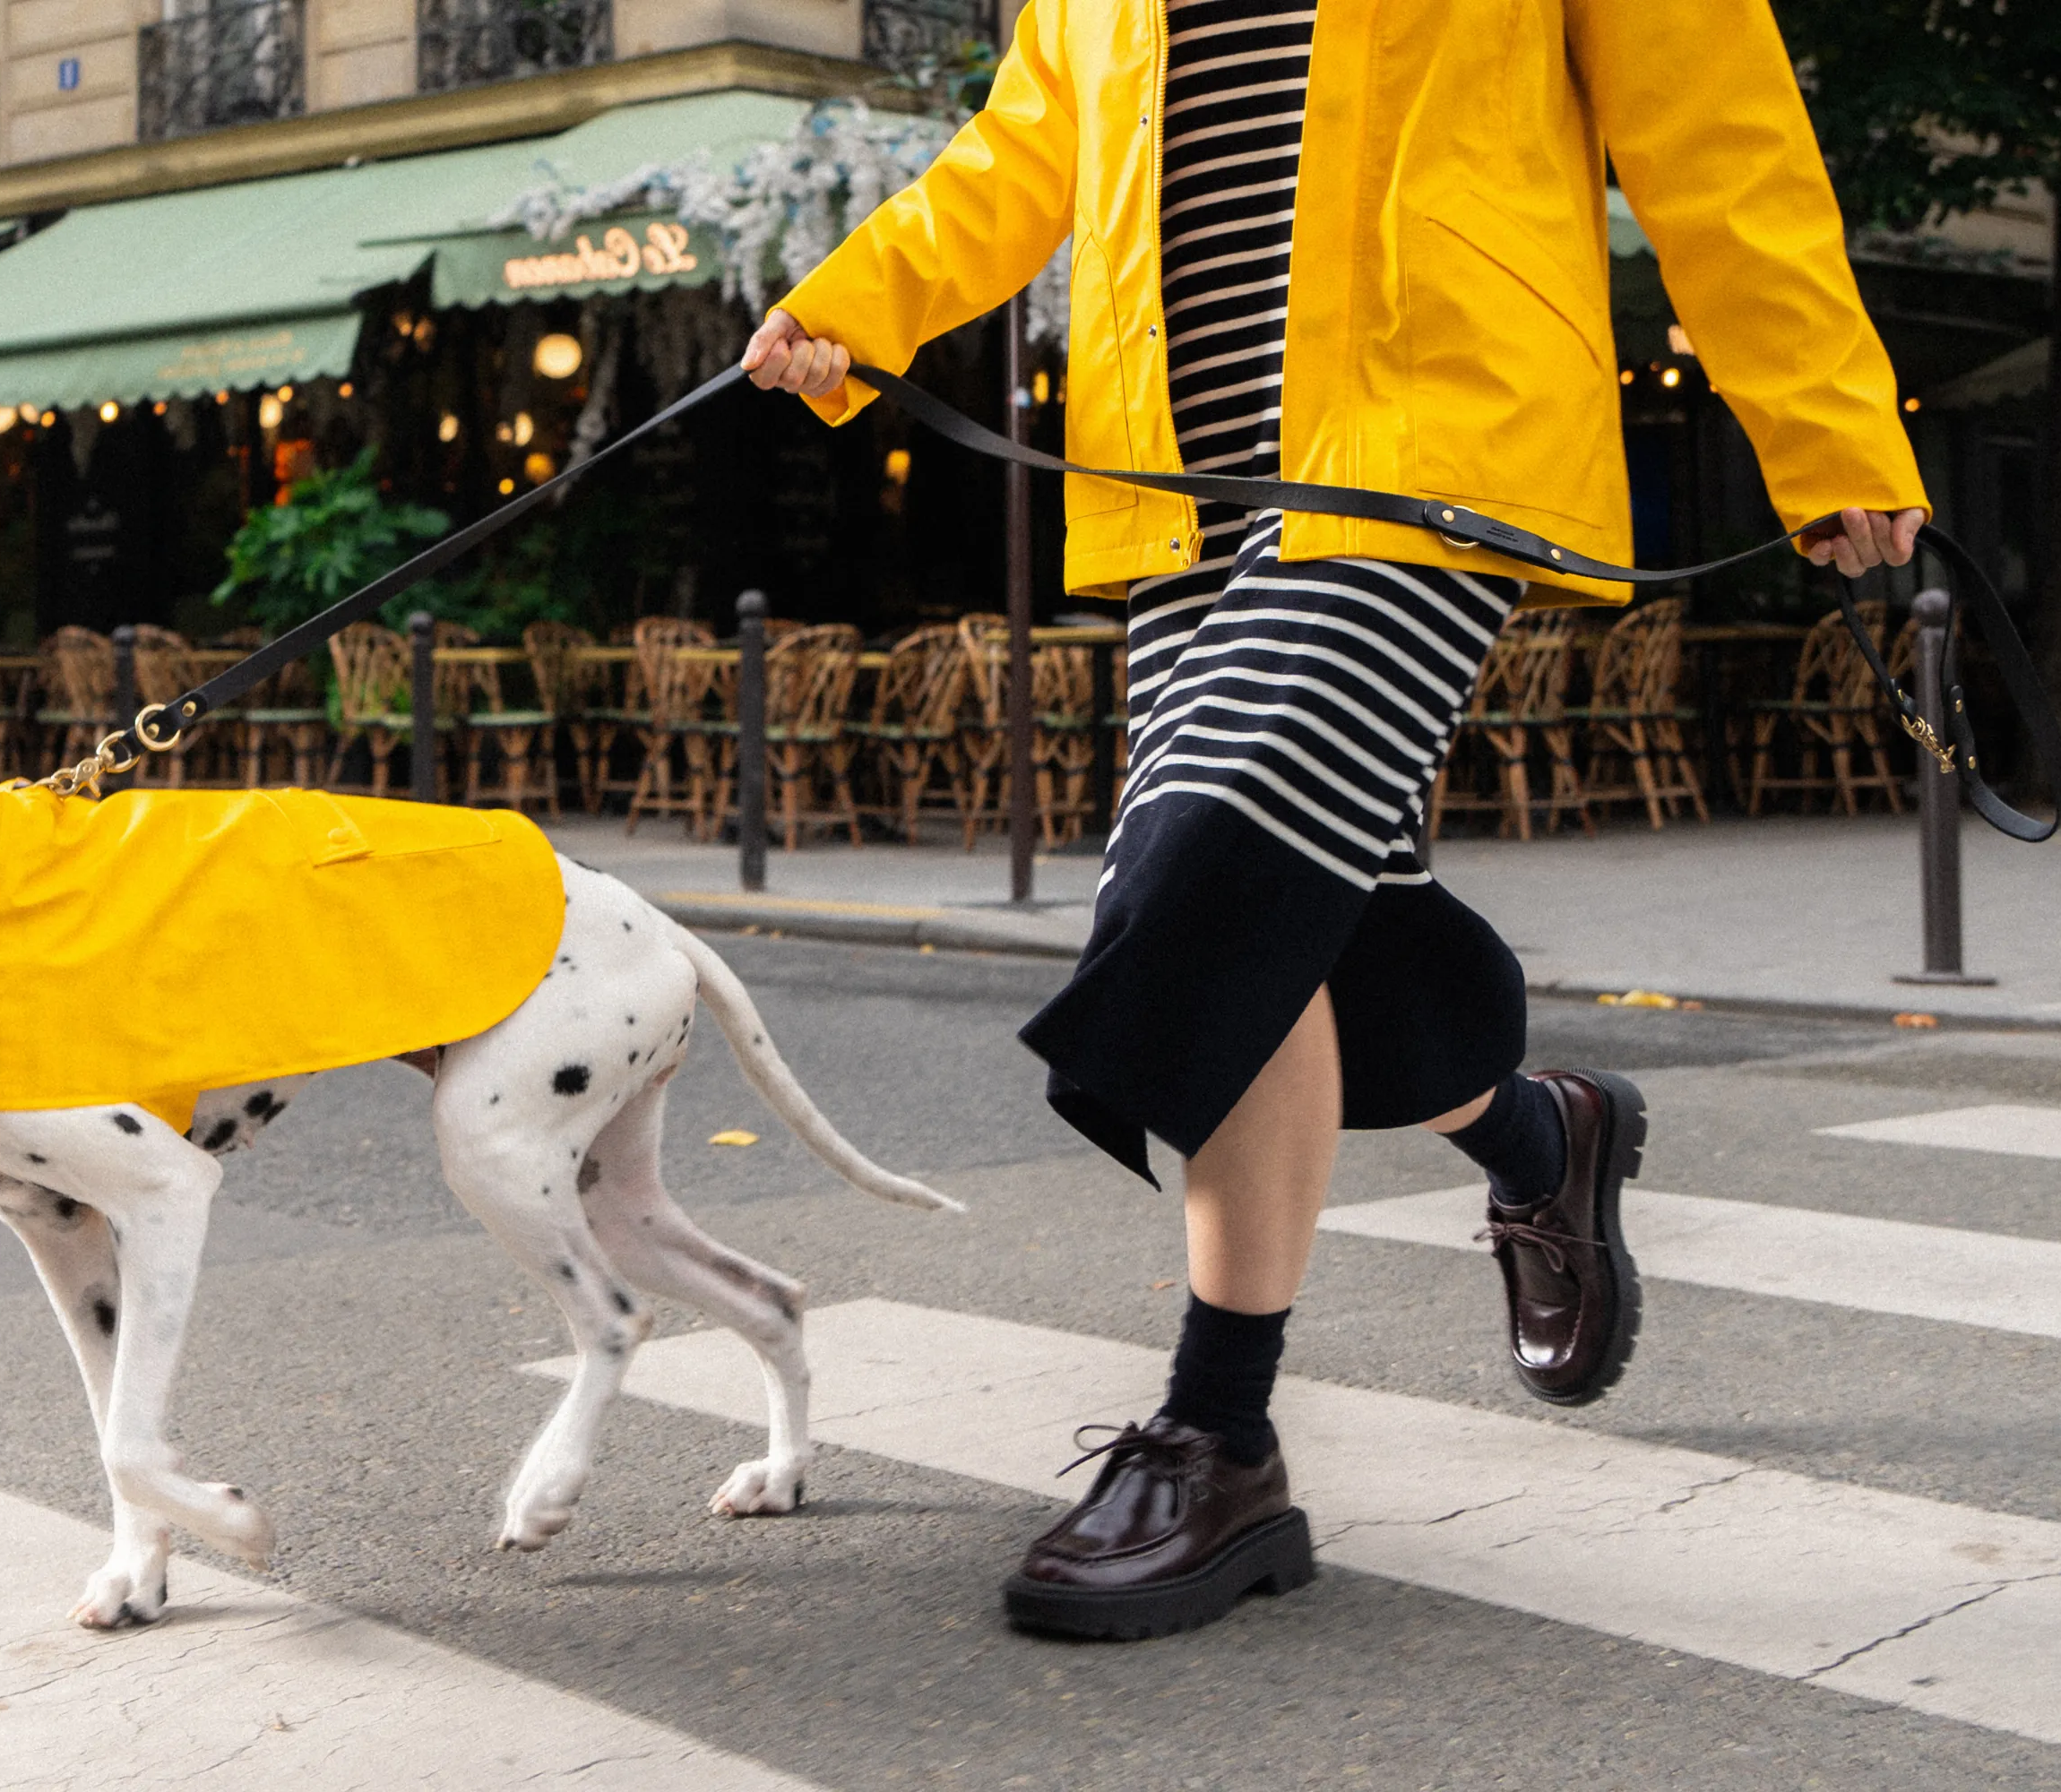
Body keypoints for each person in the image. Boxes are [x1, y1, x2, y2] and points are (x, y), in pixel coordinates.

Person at [743, 0, 1927, 1640]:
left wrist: (1828, 424)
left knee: (1216, 864)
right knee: (1322, 919)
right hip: (1184, 498)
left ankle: (1219, 1434)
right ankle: (1540, 1140)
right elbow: (1028, 146)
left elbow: (1719, 130)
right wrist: (853, 308)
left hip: (1428, 461)